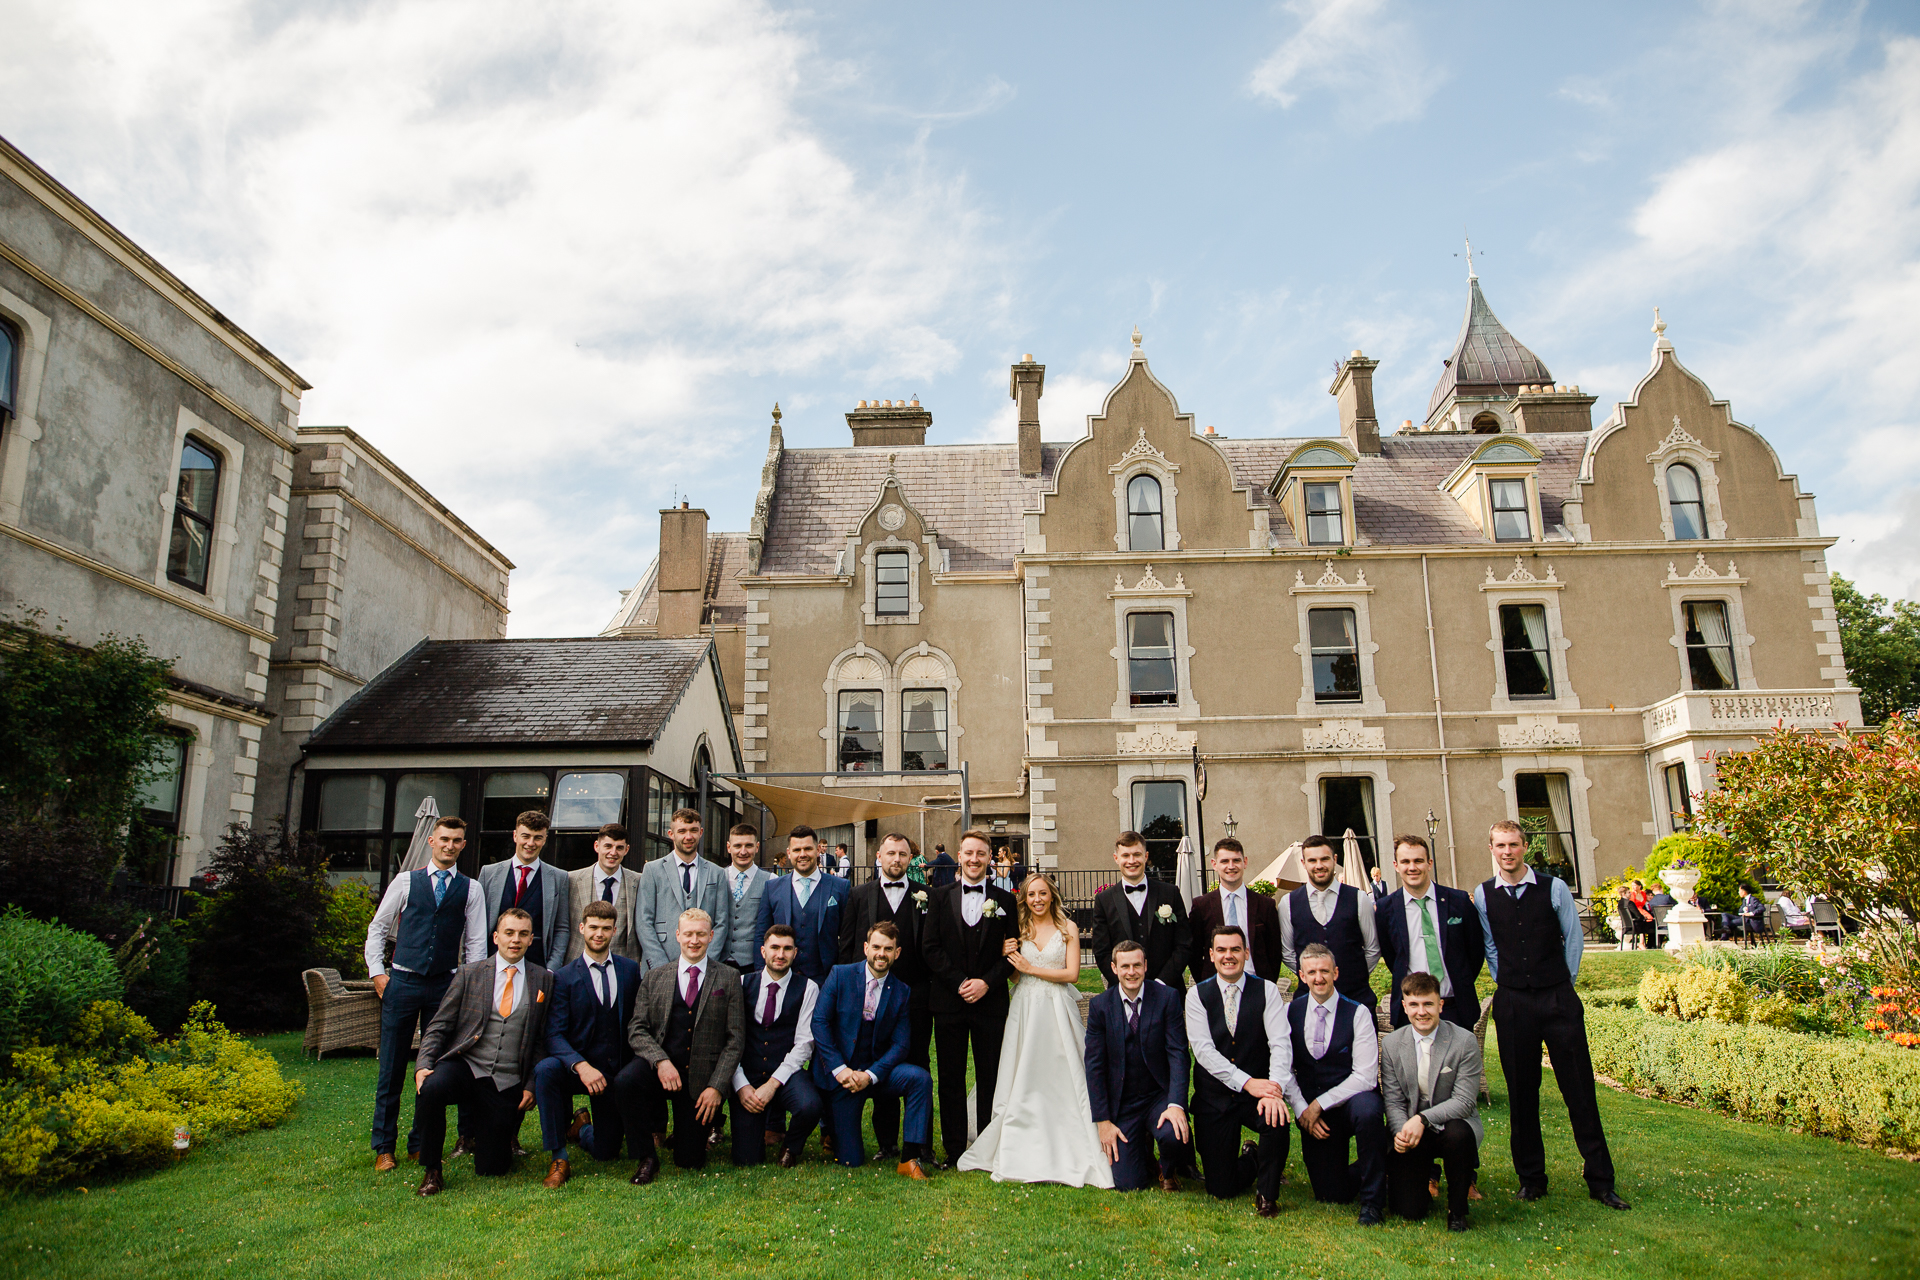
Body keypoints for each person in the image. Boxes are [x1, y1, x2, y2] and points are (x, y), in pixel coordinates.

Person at [1474, 820, 1630, 1211]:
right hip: (1512, 1003)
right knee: (1522, 1095)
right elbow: (1490, 946)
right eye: (1500, 845)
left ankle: (1600, 1181)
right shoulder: (1482, 895)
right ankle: (1531, 1180)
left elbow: (1572, 939)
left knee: (1580, 1092)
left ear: (1525, 846)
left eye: (1513, 844)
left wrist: (1562, 982)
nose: (1507, 852)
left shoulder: (1554, 887)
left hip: (1557, 999)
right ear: (1491, 848)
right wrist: (1507, 979)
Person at [958, 873, 1113, 1187]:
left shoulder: (1067, 928)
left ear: (1052, 896)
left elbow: (1072, 974)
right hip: (1025, 1006)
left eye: (1043, 894)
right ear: (1024, 899)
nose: (1038, 900)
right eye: (1031, 895)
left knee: (1064, 1071)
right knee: (1023, 1072)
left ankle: (1070, 1134)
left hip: (1057, 1007)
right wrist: (1010, 960)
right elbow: (1016, 979)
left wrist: (1032, 969)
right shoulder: (1020, 930)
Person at [364, 815, 488, 1171]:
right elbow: (377, 929)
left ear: (463, 845)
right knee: (391, 1067)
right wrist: (378, 974)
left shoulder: (471, 889)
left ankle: (420, 1143)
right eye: (444, 839)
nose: (450, 845)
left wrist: (465, 988)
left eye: (457, 841)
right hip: (402, 982)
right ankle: (384, 1146)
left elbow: (477, 947)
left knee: (431, 1068)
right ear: (432, 841)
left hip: (445, 987)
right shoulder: (405, 882)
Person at [410, 908, 555, 1195]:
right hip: (467, 1064)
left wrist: (530, 1085)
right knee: (432, 1089)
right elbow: (439, 1025)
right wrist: (422, 1065)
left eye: (523, 934)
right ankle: (432, 1170)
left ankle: (488, 1138)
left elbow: (540, 1040)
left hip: (505, 1078)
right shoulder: (470, 973)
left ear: (531, 939)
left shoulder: (544, 979)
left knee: (493, 1167)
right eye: (509, 933)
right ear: (496, 937)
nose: (515, 940)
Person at [613, 908, 744, 1183]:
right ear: (677, 936)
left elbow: (735, 1039)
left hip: (700, 1078)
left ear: (710, 936)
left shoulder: (729, 978)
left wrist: (716, 1086)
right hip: (660, 1067)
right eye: (688, 934)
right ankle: (647, 1156)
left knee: (690, 1161)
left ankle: (685, 1136)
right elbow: (637, 1029)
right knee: (626, 1081)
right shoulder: (655, 977)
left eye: (700, 934)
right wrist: (660, 1062)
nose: (693, 941)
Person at [923, 829, 1019, 1168]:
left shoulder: (1005, 901)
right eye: (969, 853)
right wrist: (962, 982)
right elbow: (930, 948)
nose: (974, 859)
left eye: (981, 853)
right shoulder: (938, 896)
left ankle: (988, 1147)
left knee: (990, 1075)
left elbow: (1011, 953)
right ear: (959, 856)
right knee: (949, 1077)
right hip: (948, 1001)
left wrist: (986, 984)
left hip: (990, 1003)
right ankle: (953, 1150)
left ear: (990, 857)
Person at [812, 921, 938, 1178]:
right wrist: (840, 1069)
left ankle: (909, 1158)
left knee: (919, 1079)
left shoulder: (902, 991)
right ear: (866, 948)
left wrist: (869, 1075)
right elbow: (820, 1023)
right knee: (851, 1161)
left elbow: (901, 1044)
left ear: (897, 953)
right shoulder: (840, 975)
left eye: (888, 949)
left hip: (874, 1075)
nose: (882, 954)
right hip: (842, 1078)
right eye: (877, 947)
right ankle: (832, 1129)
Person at [837, 832, 934, 1161]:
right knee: (880, 1063)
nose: (896, 859)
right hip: (872, 997)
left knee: (918, 1065)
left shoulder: (927, 895)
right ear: (879, 855)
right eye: (890, 853)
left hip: (916, 997)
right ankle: (887, 1143)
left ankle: (920, 1145)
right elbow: (849, 947)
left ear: (910, 859)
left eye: (902, 854)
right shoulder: (859, 895)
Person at [532, 900, 642, 1187]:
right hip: (577, 1070)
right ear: (582, 928)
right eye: (593, 927)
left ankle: (581, 1129)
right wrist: (581, 1066)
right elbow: (553, 1034)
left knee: (606, 1153)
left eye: (606, 928)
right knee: (545, 1070)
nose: (599, 934)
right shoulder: (564, 977)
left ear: (615, 931)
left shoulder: (631, 971)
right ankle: (559, 1156)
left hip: (612, 1074)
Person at [1185, 925, 1291, 1216]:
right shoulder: (1197, 996)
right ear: (1211, 955)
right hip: (1215, 1098)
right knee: (1221, 1188)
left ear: (1246, 953)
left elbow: (1281, 1044)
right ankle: (1253, 1159)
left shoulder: (1267, 990)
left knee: (1276, 1119)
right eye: (1221, 950)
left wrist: (1274, 1089)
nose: (1228, 956)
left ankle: (1267, 1195)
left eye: (1235, 949)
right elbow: (1203, 1051)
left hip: (1256, 1096)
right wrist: (1248, 1083)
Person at [1283, 944, 1388, 1226]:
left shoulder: (1358, 1013)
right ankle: (1382, 1157)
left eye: (1325, 971)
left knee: (1369, 1112)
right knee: (1331, 1194)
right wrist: (1303, 1109)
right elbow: (1284, 1069)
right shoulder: (1289, 1012)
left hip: (1353, 1101)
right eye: (1312, 972)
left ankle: (1372, 1203)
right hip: (1313, 1112)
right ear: (1302, 976)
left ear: (1336, 973)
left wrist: (1319, 1104)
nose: (1319, 978)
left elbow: (1365, 1075)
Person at [1085, 938, 1192, 1192]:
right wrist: (1103, 1121)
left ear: (1145, 965)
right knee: (1128, 1184)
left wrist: (1176, 1104)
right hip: (1123, 1102)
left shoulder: (1167, 998)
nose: (1131, 972)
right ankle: (1144, 1151)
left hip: (1158, 1095)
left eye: (1136, 965)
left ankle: (1168, 1171)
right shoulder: (1100, 1006)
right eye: (1125, 967)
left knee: (1173, 1135)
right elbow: (1094, 1065)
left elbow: (1178, 1054)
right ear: (1114, 968)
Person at [1381, 971, 1484, 1230]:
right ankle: (1419, 1189)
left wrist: (1422, 1118)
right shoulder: (1392, 1043)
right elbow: (1392, 1100)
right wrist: (1399, 1131)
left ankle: (1457, 1211)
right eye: (1414, 1004)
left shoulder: (1464, 1041)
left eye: (1428, 1003)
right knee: (1407, 1211)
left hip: (1452, 1125)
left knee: (1459, 1133)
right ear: (1404, 1007)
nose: (1421, 1012)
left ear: (1440, 1004)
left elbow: (1465, 1101)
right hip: (1413, 1132)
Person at [731, 924, 823, 1168]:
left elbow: (804, 1044)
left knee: (809, 1105)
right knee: (747, 1159)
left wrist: (773, 1084)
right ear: (763, 951)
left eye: (786, 949)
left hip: (785, 1073)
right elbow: (730, 1040)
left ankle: (791, 1146)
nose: (780, 954)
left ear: (795, 953)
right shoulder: (740, 983)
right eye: (774, 948)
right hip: (747, 1075)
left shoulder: (808, 988)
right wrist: (741, 1087)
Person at [1377, 834, 1484, 1031]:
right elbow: (1392, 956)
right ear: (1395, 865)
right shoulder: (1385, 909)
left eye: (1418, 860)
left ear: (1429, 863)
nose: (1412, 867)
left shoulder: (1459, 901)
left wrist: (1460, 980)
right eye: (1405, 861)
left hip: (1455, 1006)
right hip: (1411, 1010)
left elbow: (1475, 951)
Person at [1278, 835, 1380, 1008]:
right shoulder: (1287, 903)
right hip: (1308, 1001)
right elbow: (1287, 953)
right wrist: (1314, 978)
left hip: (1356, 997)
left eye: (1324, 859)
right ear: (1304, 863)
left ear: (1334, 860)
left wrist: (1353, 975)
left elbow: (1373, 948)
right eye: (1312, 860)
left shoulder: (1359, 899)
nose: (1319, 866)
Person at [1090, 831, 1193, 989]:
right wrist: (1126, 984)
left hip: (1168, 990)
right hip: (1122, 993)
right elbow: (1101, 951)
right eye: (1125, 855)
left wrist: (1162, 982)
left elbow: (1183, 944)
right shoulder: (1104, 900)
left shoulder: (1170, 893)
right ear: (1116, 858)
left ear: (1146, 856)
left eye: (1137, 854)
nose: (1131, 861)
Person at [637, 809, 733, 972]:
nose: (688, 837)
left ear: (700, 832)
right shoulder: (652, 870)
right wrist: (660, 965)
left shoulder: (717, 873)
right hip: (661, 963)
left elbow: (722, 922)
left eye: (693, 830)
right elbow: (643, 921)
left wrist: (706, 962)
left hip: (704, 967)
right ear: (671, 834)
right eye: (682, 831)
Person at [754, 825, 848, 985]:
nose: (802, 854)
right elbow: (761, 934)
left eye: (808, 849)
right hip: (782, 980)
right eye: (797, 850)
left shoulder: (840, 887)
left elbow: (847, 939)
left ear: (818, 850)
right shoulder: (772, 888)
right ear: (789, 853)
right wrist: (762, 978)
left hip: (825, 980)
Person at [479, 811, 571, 971]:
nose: (531, 843)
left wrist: (551, 968)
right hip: (493, 965)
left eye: (537, 837)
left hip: (538, 967)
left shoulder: (559, 878)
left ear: (545, 840)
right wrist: (478, 964)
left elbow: (561, 928)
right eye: (525, 836)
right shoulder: (489, 873)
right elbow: (477, 924)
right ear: (515, 836)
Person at [1189, 837, 1282, 983]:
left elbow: (1275, 952)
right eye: (1225, 861)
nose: (1231, 866)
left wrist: (1267, 982)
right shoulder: (1201, 906)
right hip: (1216, 985)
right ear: (1214, 864)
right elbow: (1194, 952)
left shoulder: (1265, 905)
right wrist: (1205, 983)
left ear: (1244, 862)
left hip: (1257, 983)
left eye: (1236, 860)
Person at [566, 823, 642, 963]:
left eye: (619, 847)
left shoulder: (639, 882)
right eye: (608, 846)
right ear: (597, 846)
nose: (613, 853)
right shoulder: (572, 880)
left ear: (627, 850)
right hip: (578, 964)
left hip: (623, 966)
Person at [722, 824, 773, 970]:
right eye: (737, 846)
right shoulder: (717, 877)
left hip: (754, 964)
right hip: (719, 962)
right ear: (728, 847)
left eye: (748, 846)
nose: (743, 852)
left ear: (757, 847)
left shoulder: (771, 880)